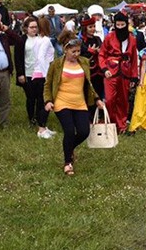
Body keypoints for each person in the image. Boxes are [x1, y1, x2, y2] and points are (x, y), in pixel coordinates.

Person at [44, 31, 104, 175]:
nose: (76, 54)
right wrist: (48, 101)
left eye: (78, 51)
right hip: (62, 101)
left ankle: (68, 148)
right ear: (65, 49)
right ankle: (68, 163)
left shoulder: (84, 62)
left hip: (79, 102)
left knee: (84, 132)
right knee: (69, 131)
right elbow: (48, 84)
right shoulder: (56, 64)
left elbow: (89, 84)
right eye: (73, 51)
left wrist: (96, 99)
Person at [98, 12, 139, 134]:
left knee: (123, 100)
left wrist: (134, 78)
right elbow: (101, 54)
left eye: (122, 24)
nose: (120, 27)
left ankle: (121, 126)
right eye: (118, 24)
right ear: (114, 24)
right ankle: (111, 124)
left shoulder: (132, 39)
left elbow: (134, 59)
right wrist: (104, 69)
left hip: (125, 73)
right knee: (110, 100)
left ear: (127, 24)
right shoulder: (109, 37)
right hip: (111, 72)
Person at [79, 16, 104, 102]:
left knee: (99, 91)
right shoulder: (81, 41)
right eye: (90, 27)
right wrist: (90, 51)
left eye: (94, 26)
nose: (93, 29)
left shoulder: (97, 39)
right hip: (88, 72)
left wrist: (99, 51)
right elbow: (80, 56)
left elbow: (103, 51)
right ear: (85, 28)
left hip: (99, 71)